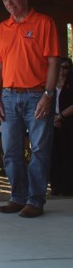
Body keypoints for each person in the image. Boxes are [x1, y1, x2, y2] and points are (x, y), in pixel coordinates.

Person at [0, 0, 60, 218]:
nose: (9, 4)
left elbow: (53, 61)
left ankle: (35, 200)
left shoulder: (44, 23)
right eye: (5, 1)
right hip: (9, 96)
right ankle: (17, 197)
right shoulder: (2, 29)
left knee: (39, 149)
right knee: (10, 150)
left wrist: (49, 95)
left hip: (37, 95)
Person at [50, 57, 73, 195]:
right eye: (60, 67)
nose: (63, 71)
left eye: (66, 67)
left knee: (68, 153)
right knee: (54, 153)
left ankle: (68, 186)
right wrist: (54, 118)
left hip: (68, 121)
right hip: (52, 122)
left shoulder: (71, 83)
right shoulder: (50, 85)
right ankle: (56, 185)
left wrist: (61, 117)